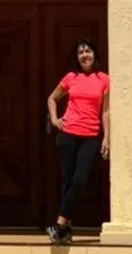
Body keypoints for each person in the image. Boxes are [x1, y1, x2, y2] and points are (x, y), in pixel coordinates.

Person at [45, 37, 110, 243]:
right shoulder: (71, 77)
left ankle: (58, 225)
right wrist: (54, 119)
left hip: (90, 136)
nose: (84, 55)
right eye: (81, 52)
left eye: (88, 51)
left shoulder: (104, 79)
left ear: (94, 54)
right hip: (68, 135)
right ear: (77, 57)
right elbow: (52, 98)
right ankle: (65, 231)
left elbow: (106, 111)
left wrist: (106, 138)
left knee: (80, 180)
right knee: (67, 181)